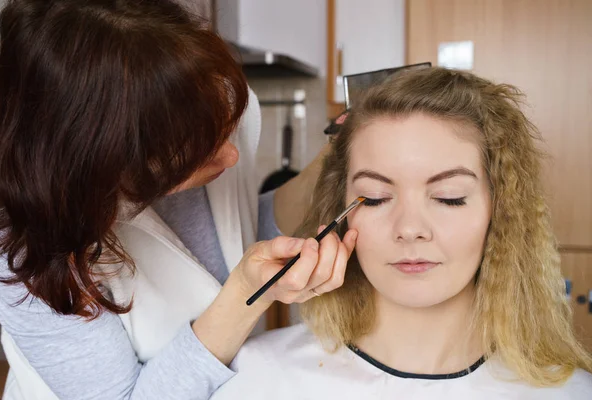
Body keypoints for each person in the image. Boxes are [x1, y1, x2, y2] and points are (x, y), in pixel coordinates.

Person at [0, 1, 357, 399]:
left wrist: (335, 159)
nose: (231, 156)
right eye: (195, 154)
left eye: (226, 130)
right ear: (104, 164)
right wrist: (249, 295)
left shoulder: (205, 105)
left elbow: (239, 226)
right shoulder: (18, 251)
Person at [210, 67, 592, 399]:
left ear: (502, 211)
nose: (409, 229)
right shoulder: (258, 379)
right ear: (341, 213)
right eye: (374, 198)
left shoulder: (570, 393)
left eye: (449, 198)